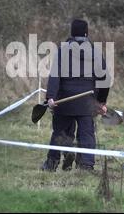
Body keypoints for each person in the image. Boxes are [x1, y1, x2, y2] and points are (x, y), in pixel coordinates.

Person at [42, 19, 110, 171]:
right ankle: (86, 164)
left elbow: (55, 76)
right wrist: (101, 102)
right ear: (87, 33)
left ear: (72, 33)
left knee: (59, 132)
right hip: (87, 102)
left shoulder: (63, 50)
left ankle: (51, 164)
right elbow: (105, 79)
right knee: (87, 134)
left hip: (64, 100)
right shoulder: (95, 52)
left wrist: (51, 97)